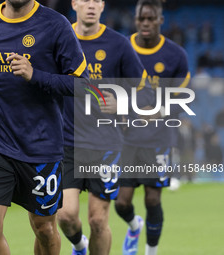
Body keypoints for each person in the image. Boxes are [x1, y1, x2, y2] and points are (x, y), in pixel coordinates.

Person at [0, 1, 88, 254]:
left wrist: (36, 75)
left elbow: (83, 85)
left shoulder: (56, 25)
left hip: (41, 146)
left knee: (44, 229)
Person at [57, 1, 154, 255]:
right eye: (85, 0)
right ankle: (79, 245)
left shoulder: (118, 44)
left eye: (97, 1)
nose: (91, 6)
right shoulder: (59, 39)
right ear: (74, 3)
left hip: (106, 144)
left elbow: (146, 92)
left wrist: (122, 103)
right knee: (65, 216)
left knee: (98, 220)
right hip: (66, 143)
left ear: (103, 6)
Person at [115, 1, 190, 255]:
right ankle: (134, 225)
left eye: (151, 18)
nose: (145, 23)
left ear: (160, 20)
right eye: (141, 19)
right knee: (121, 203)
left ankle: (150, 251)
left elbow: (183, 97)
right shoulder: (123, 47)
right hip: (126, 138)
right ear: (135, 20)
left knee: (152, 198)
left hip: (158, 138)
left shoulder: (176, 55)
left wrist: (159, 112)